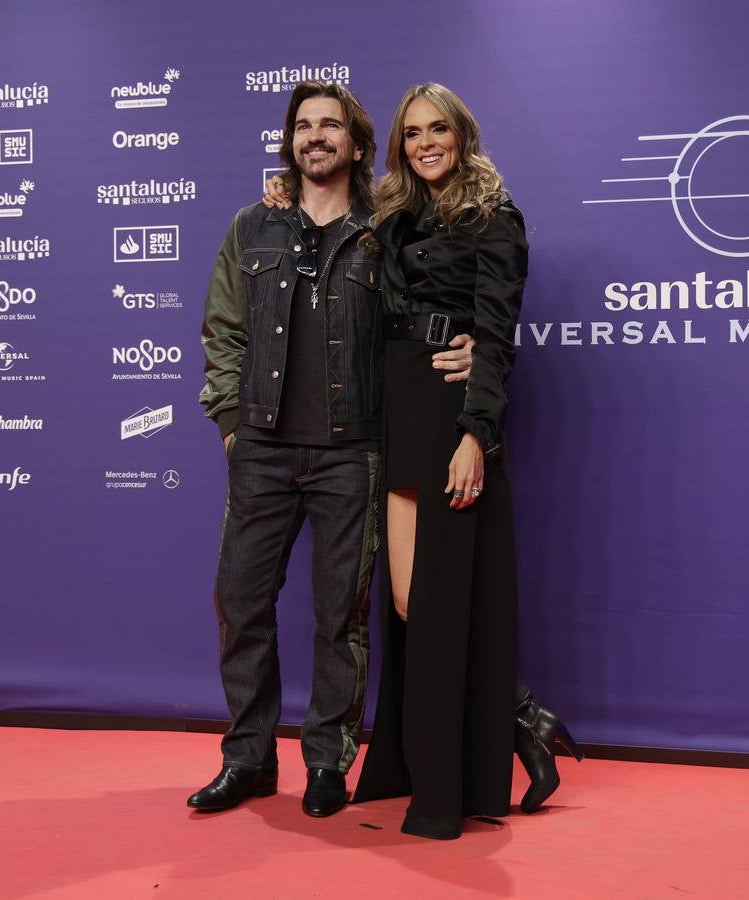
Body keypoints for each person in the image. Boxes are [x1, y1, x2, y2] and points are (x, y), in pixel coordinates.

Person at [192, 81, 476, 818]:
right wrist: (231, 422)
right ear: (290, 141)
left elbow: (435, 306)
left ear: (355, 143)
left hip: (353, 451)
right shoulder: (252, 226)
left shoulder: (389, 227)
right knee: (240, 603)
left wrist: (471, 344)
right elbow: (223, 328)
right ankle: (248, 759)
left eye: (329, 125)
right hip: (261, 448)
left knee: (339, 617)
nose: (314, 136)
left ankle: (327, 760)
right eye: (302, 126)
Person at [345, 83, 581, 840]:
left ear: (462, 134)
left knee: (440, 603)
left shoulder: (494, 215)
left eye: (437, 129)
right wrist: (283, 191)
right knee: (408, 603)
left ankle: (451, 781)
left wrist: (477, 433)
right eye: (412, 133)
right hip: (398, 407)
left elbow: (497, 333)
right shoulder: (391, 213)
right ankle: (519, 717)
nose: (425, 144)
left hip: (452, 415)